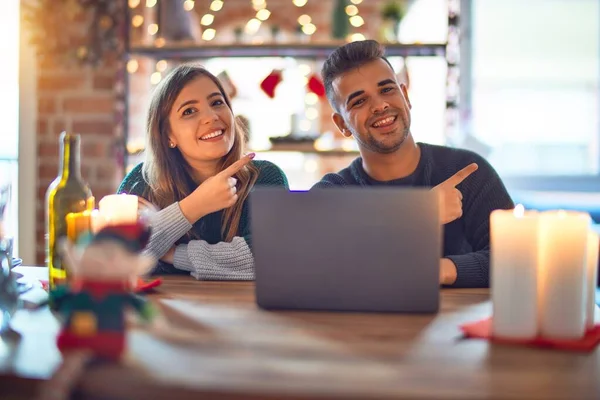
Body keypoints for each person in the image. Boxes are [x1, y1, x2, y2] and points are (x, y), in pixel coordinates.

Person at [312, 40, 514, 288]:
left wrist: (434, 270)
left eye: (387, 90)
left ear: (405, 96)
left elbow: (514, 258)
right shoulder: (331, 194)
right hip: (362, 327)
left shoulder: (468, 171)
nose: (380, 105)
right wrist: (419, 216)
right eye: (359, 101)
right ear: (342, 124)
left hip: (457, 326)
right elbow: (321, 269)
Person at [118, 65, 289, 280]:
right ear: (167, 135)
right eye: (189, 111)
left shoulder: (265, 178)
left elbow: (268, 258)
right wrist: (195, 205)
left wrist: (173, 254)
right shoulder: (140, 182)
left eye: (217, 102)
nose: (211, 117)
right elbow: (119, 256)